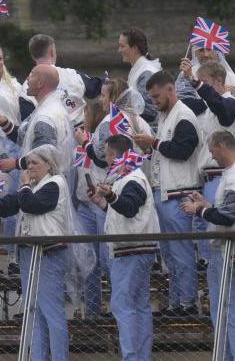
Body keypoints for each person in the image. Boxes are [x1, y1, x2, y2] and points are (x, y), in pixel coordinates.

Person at [0, 144, 75, 361]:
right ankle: (38, 357)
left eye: (35, 163)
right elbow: (11, 204)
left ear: (49, 165)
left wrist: (25, 187)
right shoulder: (32, 185)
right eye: (27, 164)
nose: (30, 168)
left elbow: (32, 205)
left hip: (49, 253)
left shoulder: (55, 183)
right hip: (30, 253)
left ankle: (59, 357)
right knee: (33, 310)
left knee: (51, 310)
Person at [132, 70, 203, 317]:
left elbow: (183, 151)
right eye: (151, 98)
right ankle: (175, 302)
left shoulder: (183, 116)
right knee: (170, 256)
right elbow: (166, 152)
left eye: (157, 96)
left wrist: (154, 143)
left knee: (181, 253)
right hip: (165, 193)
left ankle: (187, 303)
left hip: (180, 194)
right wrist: (151, 148)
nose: (154, 101)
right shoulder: (165, 117)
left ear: (170, 89)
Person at [90, 135, 159, 361]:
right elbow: (126, 213)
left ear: (114, 154)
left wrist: (110, 195)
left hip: (132, 249)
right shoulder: (128, 178)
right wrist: (104, 203)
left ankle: (132, 357)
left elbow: (129, 208)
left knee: (123, 306)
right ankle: (140, 357)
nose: (107, 160)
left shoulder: (133, 178)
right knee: (138, 306)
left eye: (108, 155)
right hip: (135, 248)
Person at [180, 130, 235, 359]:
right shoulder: (229, 175)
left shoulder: (232, 177)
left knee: (229, 312)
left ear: (222, 146)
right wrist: (206, 203)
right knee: (225, 311)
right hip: (223, 250)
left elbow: (229, 217)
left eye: (212, 151)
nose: (212, 157)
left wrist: (200, 210)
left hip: (229, 252)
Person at [0, 64, 73, 171]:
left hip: (46, 181)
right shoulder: (54, 107)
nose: (27, 79)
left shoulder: (45, 117)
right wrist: (5, 123)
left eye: (32, 75)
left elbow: (44, 156)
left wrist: (15, 163)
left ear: (40, 83)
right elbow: (28, 138)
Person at [72, 100, 109, 319]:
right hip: (83, 204)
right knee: (88, 259)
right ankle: (92, 311)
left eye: (86, 115)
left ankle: (114, 309)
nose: (82, 120)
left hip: (100, 203)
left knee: (106, 257)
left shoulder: (100, 138)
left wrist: (86, 143)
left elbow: (103, 162)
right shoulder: (80, 140)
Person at [24, 33, 103, 126]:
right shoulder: (73, 74)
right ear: (52, 52)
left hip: (51, 136)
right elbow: (97, 89)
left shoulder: (25, 90)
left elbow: (26, 128)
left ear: (32, 55)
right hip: (82, 133)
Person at [119, 28, 161, 125]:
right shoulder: (137, 69)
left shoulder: (146, 73)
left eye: (122, 46)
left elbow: (149, 112)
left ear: (135, 48)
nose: (119, 50)